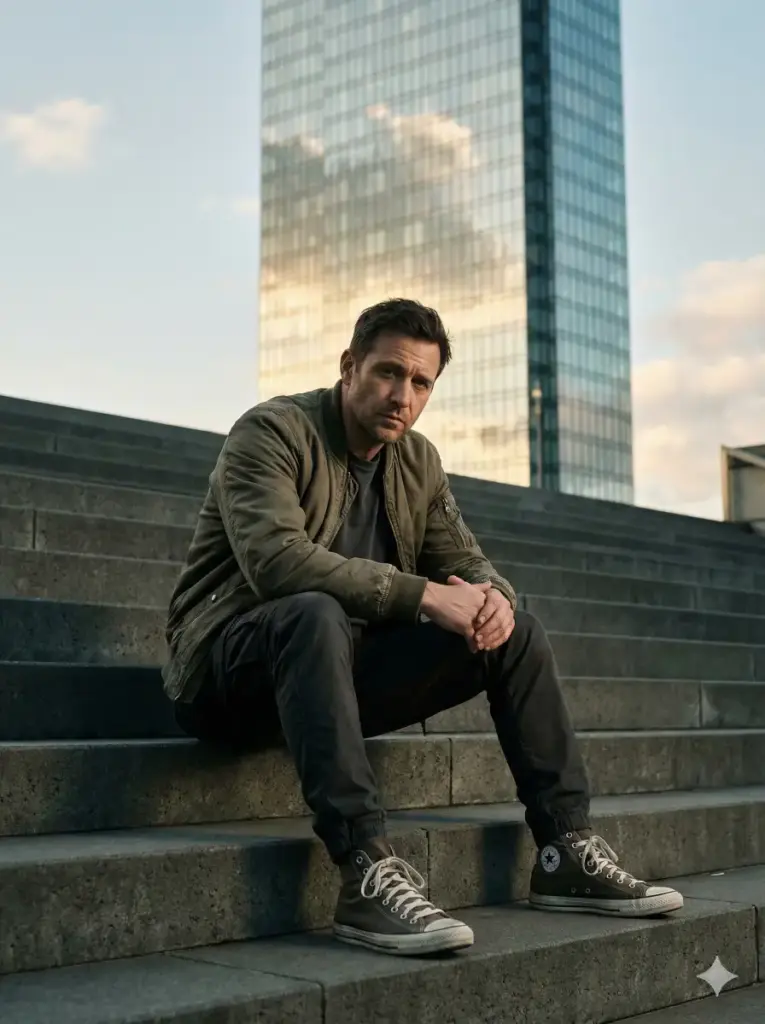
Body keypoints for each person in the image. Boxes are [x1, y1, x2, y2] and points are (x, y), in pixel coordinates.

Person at [162, 297, 683, 957]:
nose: (400, 395)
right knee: (312, 610)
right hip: (228, 671)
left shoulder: (416, 462)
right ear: (348, 367)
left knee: (515, 629)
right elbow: (276, 563)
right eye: (386, 372)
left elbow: (464, 560)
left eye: (419, 382)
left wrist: (491, 596)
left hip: (335, 682)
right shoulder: (272, 433)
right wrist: (424, 598)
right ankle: (364, 871)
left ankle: (565, 847)